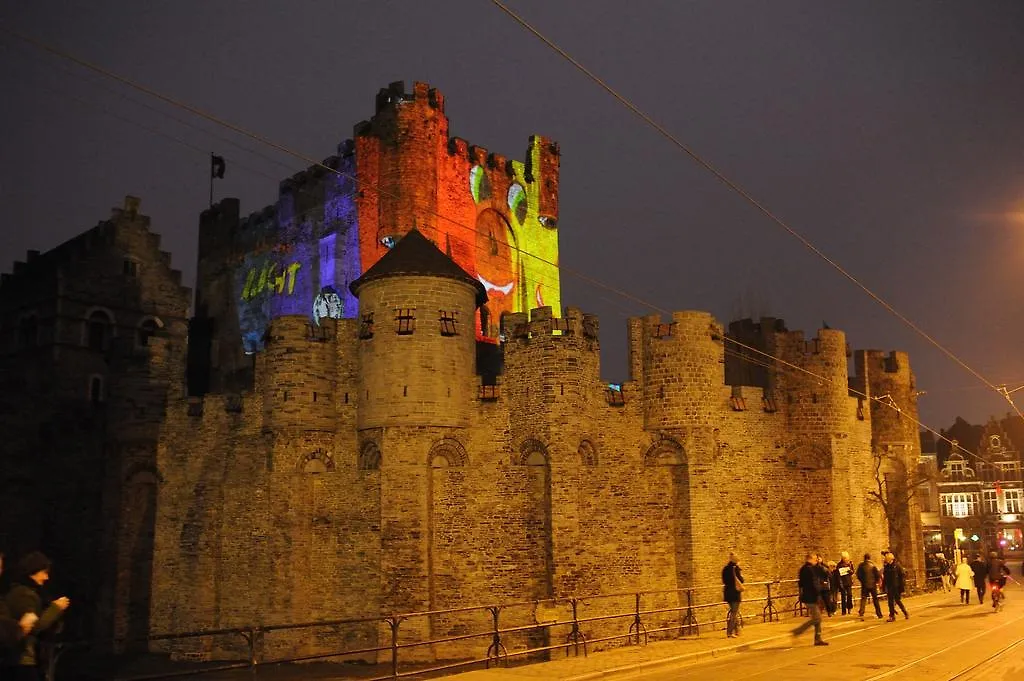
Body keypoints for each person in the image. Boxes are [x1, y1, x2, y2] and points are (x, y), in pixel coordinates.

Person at [4, 551, 70, 681]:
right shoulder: (25, 595)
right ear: (33, 571)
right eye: (44, 572)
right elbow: (35, 627)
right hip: (22, 660)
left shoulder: (20, 592)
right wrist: (56, 608)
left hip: (17, 659)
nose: (46, 578)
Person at [791, 553, 828, 646]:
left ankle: (818, 639)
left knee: (817, 618)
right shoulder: (810, 570)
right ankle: (797, 631)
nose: (816, 561)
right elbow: (814, 583)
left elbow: (801, 584)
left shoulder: (803, 569)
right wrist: (819, 591)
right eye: (815, 559)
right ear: (811, 559)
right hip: (811, 597)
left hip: (807, 596)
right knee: (817, 618)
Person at [721, 552, 744, 638]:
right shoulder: (736, 569)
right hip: (735, 593)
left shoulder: (725, 569)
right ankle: (729, 632)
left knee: (734, 611)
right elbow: (741, 580)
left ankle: (737, 630)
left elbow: (724, 581)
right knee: (734, 613)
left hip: (727, 593)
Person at [882, 551, 909, 621]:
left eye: (887, 559)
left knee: (897, 601)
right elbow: (885, 577)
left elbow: (902, 575)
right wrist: (883, 586)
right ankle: (892, 616)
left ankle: (905, 612)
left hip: (896, 586)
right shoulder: (886, 567)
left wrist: (902, 586)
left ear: (891, 559)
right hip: (890, 586)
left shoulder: (897, 566)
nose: (886, 560)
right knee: (890, 602)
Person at [856, 553, 884, 619]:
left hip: (864, 585)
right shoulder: (873, 565)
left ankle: (861, 612)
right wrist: (876, 581)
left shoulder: (861, 565)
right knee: (875, 599)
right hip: (872, 585)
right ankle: (879, 613)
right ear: (869, 558)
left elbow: (858, 575)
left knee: (863, 598)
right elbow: (877, 574)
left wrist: (862, 581)